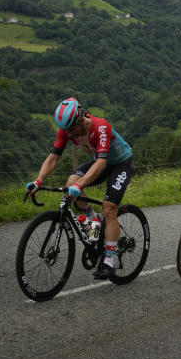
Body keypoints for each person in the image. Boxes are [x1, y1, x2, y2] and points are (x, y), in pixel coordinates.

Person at [26, 98, 134, 280]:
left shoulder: (100, 127)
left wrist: (80, 184)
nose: (68, 134)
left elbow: (101, 162)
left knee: (108, 207)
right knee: (71, 182)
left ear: (81, 120)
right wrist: (38, 180)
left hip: (120, 163)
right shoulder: (66, 130)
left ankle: (109, 259)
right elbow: (53, 158)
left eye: (71, 129)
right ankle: (94, 221)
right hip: (99, 162)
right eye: (65, 130)